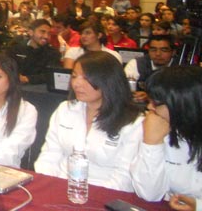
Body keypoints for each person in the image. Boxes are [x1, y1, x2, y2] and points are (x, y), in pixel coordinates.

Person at [34, 52, 144, 191]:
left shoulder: (132, 122)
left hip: (105, 192)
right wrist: (49, 185)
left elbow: (125, 176)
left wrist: (86, 194)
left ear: (108, 81)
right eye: (74, 76)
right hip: (60, 186)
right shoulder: (65, 109)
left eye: (86, 78)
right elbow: (50, 154)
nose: (76, 83)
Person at [131, 66, 202, 210]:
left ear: (183, 104)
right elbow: (150, 195)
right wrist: (151, 144)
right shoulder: (159, 129)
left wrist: (201, 207)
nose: (149, 107)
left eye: (156, 103)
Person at [5, 19, 61, 84]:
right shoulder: (16, 48)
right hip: (14, 85)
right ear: (31, 32)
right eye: (42, 32)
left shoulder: (53, 53)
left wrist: (27, 79)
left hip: (39, 88)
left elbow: (52, 75)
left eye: (49, 33)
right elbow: (6, 67)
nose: (46, 36)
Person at [124, 35, 175, 102]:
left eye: (164, 50)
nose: (158, 54)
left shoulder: (181, 67)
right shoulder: (136, 64)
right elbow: (123, 89)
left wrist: (151, 97)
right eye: (153, 50)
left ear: (173, 52)